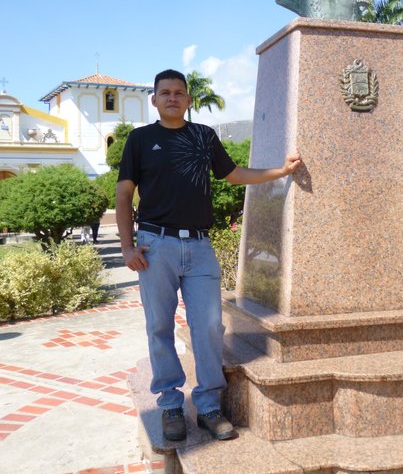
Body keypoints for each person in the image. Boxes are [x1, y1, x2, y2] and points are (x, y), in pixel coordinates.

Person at [116, 69, 301, 443]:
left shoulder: (203, 136)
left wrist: (281, 170)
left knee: (210, 327)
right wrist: (126, 247)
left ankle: (208, 406)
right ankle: (169, 403)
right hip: (156, 246)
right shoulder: (140, 139)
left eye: (179, 93)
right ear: (154, 99)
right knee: (159, 327)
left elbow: (233, 175)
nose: (172, 98)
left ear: (187, 99)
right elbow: (123, 195)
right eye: (165, 92)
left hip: (199, 248)